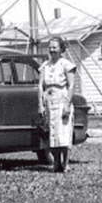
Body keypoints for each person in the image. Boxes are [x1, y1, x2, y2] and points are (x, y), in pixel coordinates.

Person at [38, 36, 77, 173]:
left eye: (55, 47)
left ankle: (65, 164)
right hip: (49, 101)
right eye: (50, 47)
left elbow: (71, 85)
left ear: (61, 49)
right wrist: (41, 104)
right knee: (53, 134)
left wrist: (67, 104)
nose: (52, 50)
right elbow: (40, 86)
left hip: (62, 99)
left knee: (64, 133)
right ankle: (56, 163)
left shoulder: (66, 65)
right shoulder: (45, 66)